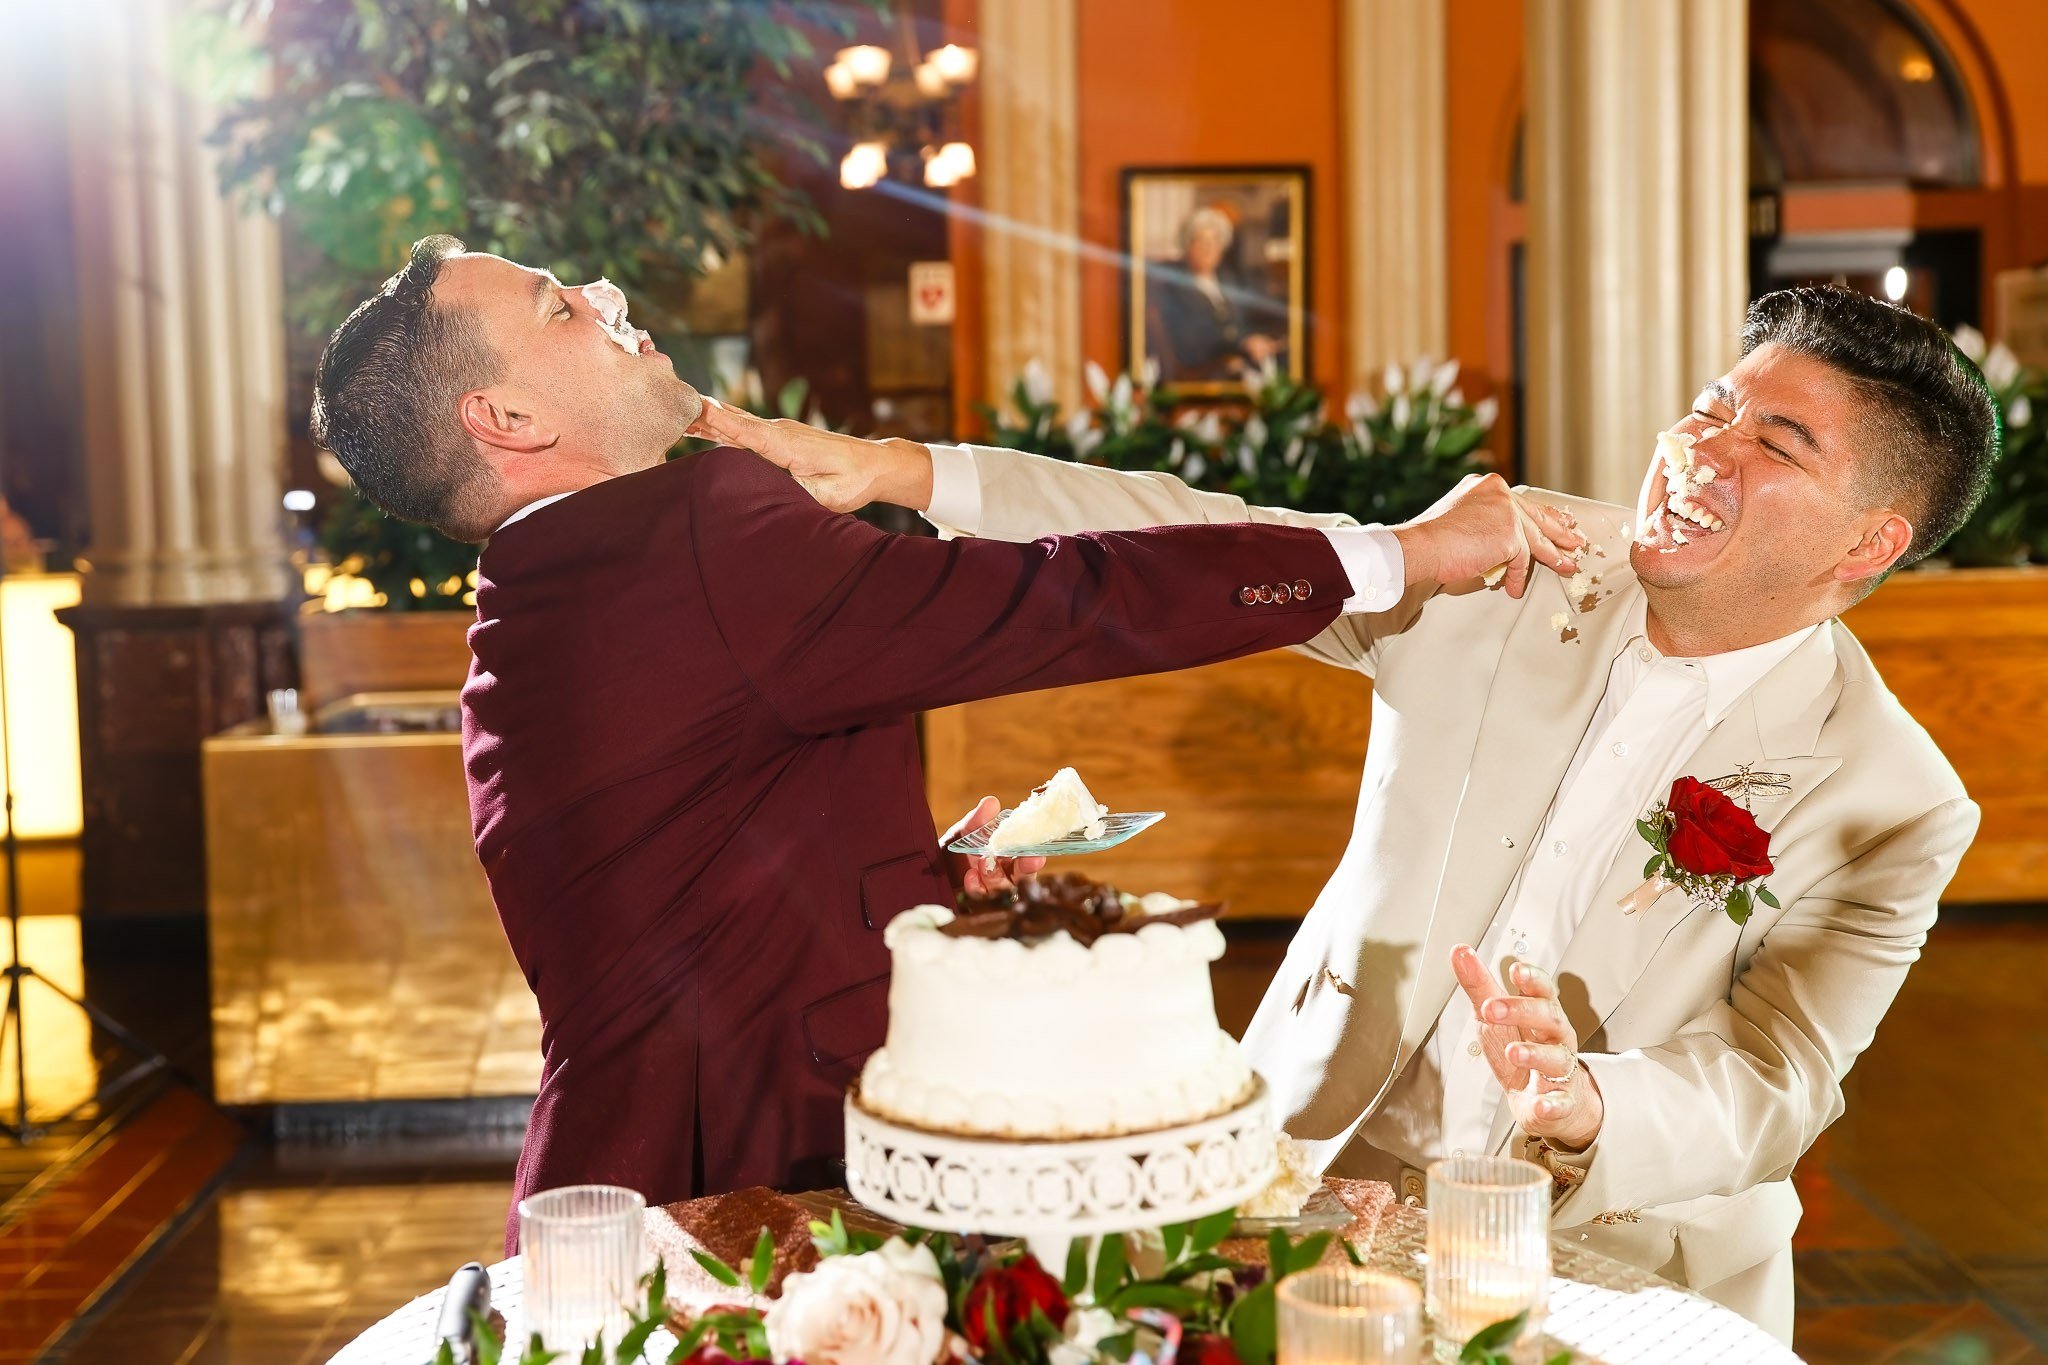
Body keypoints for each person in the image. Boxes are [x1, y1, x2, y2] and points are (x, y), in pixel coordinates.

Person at [696, 284, 1997, 1339]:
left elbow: (1778, 1080)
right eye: (1713, 409)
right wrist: (907, 473)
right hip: (1311, 1184)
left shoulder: (1891, 796)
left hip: (1619, 1259)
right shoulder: (1513, 561)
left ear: (1868, 543)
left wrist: (1591, 1098)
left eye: (1776, 444)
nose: (1703, 450)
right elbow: (1213, 535)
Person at [305, 236, 1586, 1251]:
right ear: (508, 421)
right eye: (557, 309)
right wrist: (1396, 557)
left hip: (621, 1161)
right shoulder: (689, 528)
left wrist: (915, 878)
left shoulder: (540, 592)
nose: (603, 293)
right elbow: (1059, 601)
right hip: (761, 1177)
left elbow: (700, 849)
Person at [1146, 206, 1285, 383]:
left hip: (1242, 360)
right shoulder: (1175, 286)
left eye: (1214, 243)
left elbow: (1241, 322)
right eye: (1201, 242)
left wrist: (1256, 340)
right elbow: (1190, 340)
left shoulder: (1228, 280)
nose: (1208, 249)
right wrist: (1242, 343)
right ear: (1188, 246)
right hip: (1206, 369)